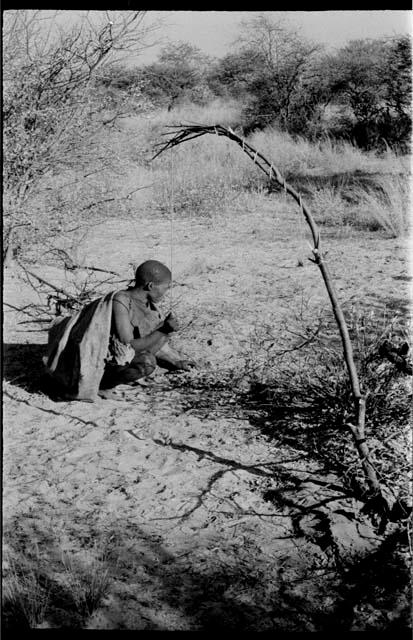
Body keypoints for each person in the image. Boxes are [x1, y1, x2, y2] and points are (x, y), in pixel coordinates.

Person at [99, 260, 195, 396]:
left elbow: (151, 343)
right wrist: (163, 330)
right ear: (150, 286)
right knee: (147, 363)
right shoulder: (121, 301)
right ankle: (103, 385)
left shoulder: (149, 306)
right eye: (165, 288)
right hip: (99, 361)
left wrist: (176, 362)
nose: (166, 292)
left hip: (120, 359)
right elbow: (128, 347)